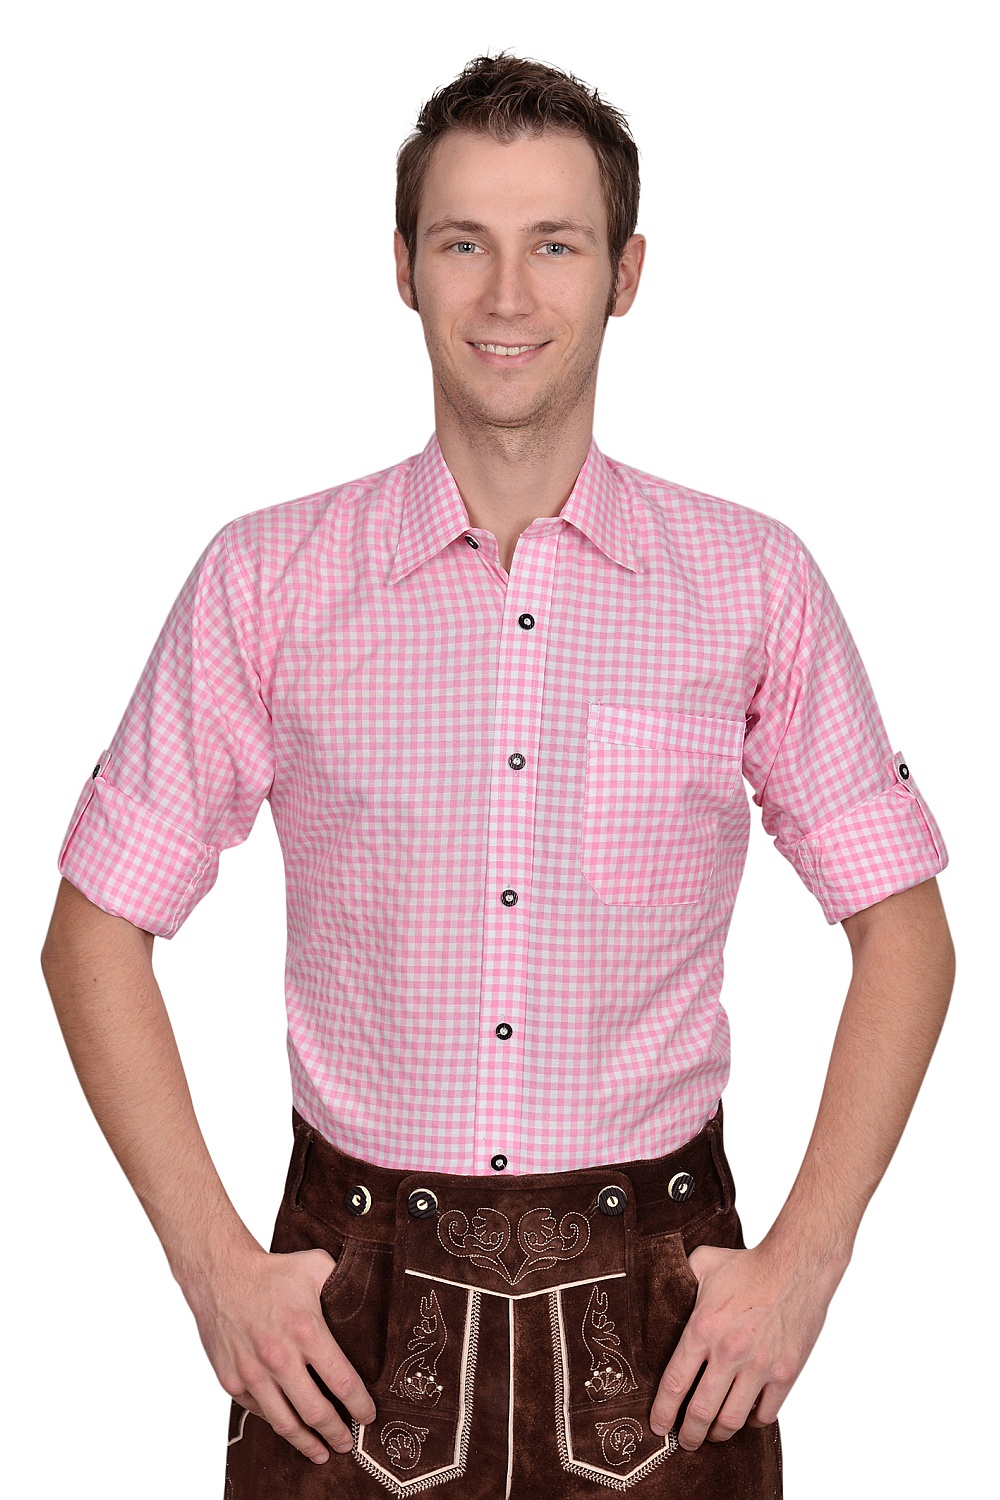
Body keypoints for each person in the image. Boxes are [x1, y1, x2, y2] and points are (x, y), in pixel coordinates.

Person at [41, 52, 954, 1500]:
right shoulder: (267, 580)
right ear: (403, 267)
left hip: (662, 1324)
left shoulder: (752, 583)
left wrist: (807, 1262)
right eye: (465, 243)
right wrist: (213, 1268)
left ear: (627, 273)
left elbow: (905, 930)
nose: (509, 295)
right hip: (346, 1320)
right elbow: (94, 932)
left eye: (557, 245)